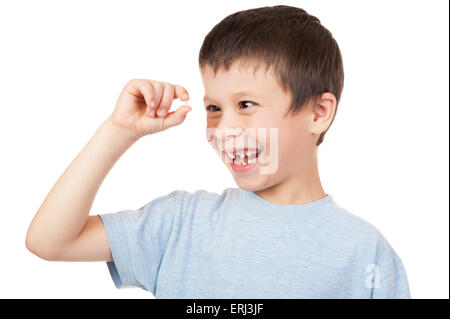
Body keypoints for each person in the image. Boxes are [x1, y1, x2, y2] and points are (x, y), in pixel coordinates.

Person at [26, 5, 410, 298]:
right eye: (214, 109)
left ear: (318, 113)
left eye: (246, 105)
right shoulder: (180, 222)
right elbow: (49, 241)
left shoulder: (365, 253)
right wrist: (119, 131)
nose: (224, 130)